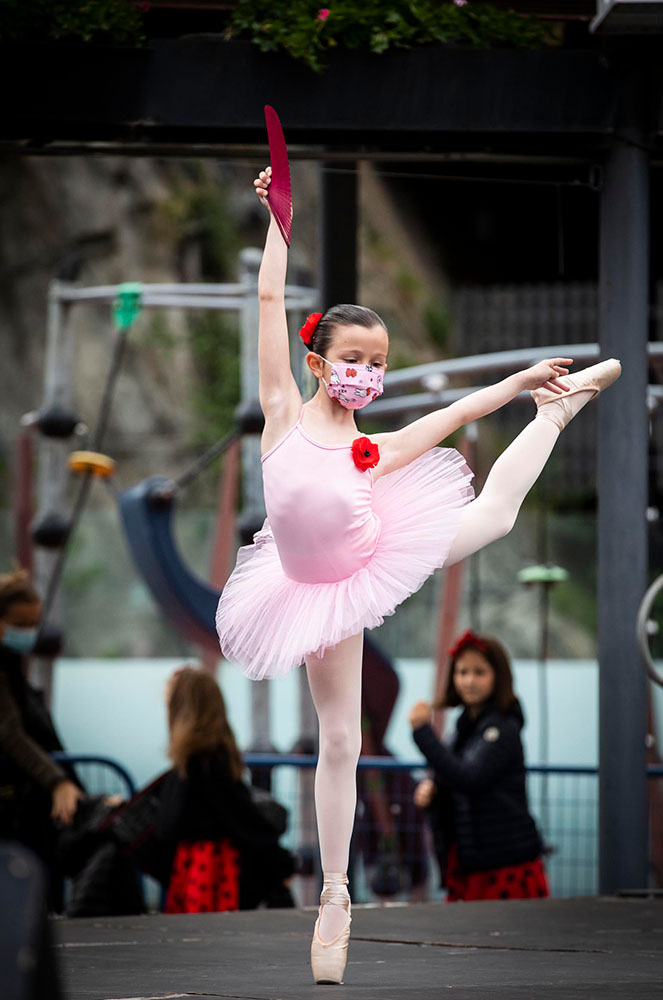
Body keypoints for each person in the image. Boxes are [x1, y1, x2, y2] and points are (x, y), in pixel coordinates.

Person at [214, 163, 620, 983]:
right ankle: (333, 893)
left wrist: (512, 385)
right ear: (319, 362)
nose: (369, 369)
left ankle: (557, 410)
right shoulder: (284, 416)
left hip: (370, 553)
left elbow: (449, 417)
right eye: (354, 355)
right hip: (302, 586)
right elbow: (266, 304)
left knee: (497, 516)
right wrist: (277, 218)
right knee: (337, 741)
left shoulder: (373, 446)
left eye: (380, 359)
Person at [409, 630, 550, 902]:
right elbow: (456, 773)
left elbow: (470, 778)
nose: (468, 681)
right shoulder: (465, 728)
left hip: (505, 865)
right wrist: (434, 788)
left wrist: (423, 733)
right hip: (473, 862)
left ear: (498, 677)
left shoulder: (502, 729)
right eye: (461, 672)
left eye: (479, 672)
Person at [157, 666, 295, 913]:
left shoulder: (199, 763)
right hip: (211, 866)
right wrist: (282, 863)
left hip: (206, 869)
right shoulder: (209, 759)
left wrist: (281, 862)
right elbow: (244, 818)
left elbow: (240, 818)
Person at [0, 567, 85, 909]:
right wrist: (58, 781)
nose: (29, 634)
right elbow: (9, 732)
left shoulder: (11, 661)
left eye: (33, 624)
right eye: (21, 624)